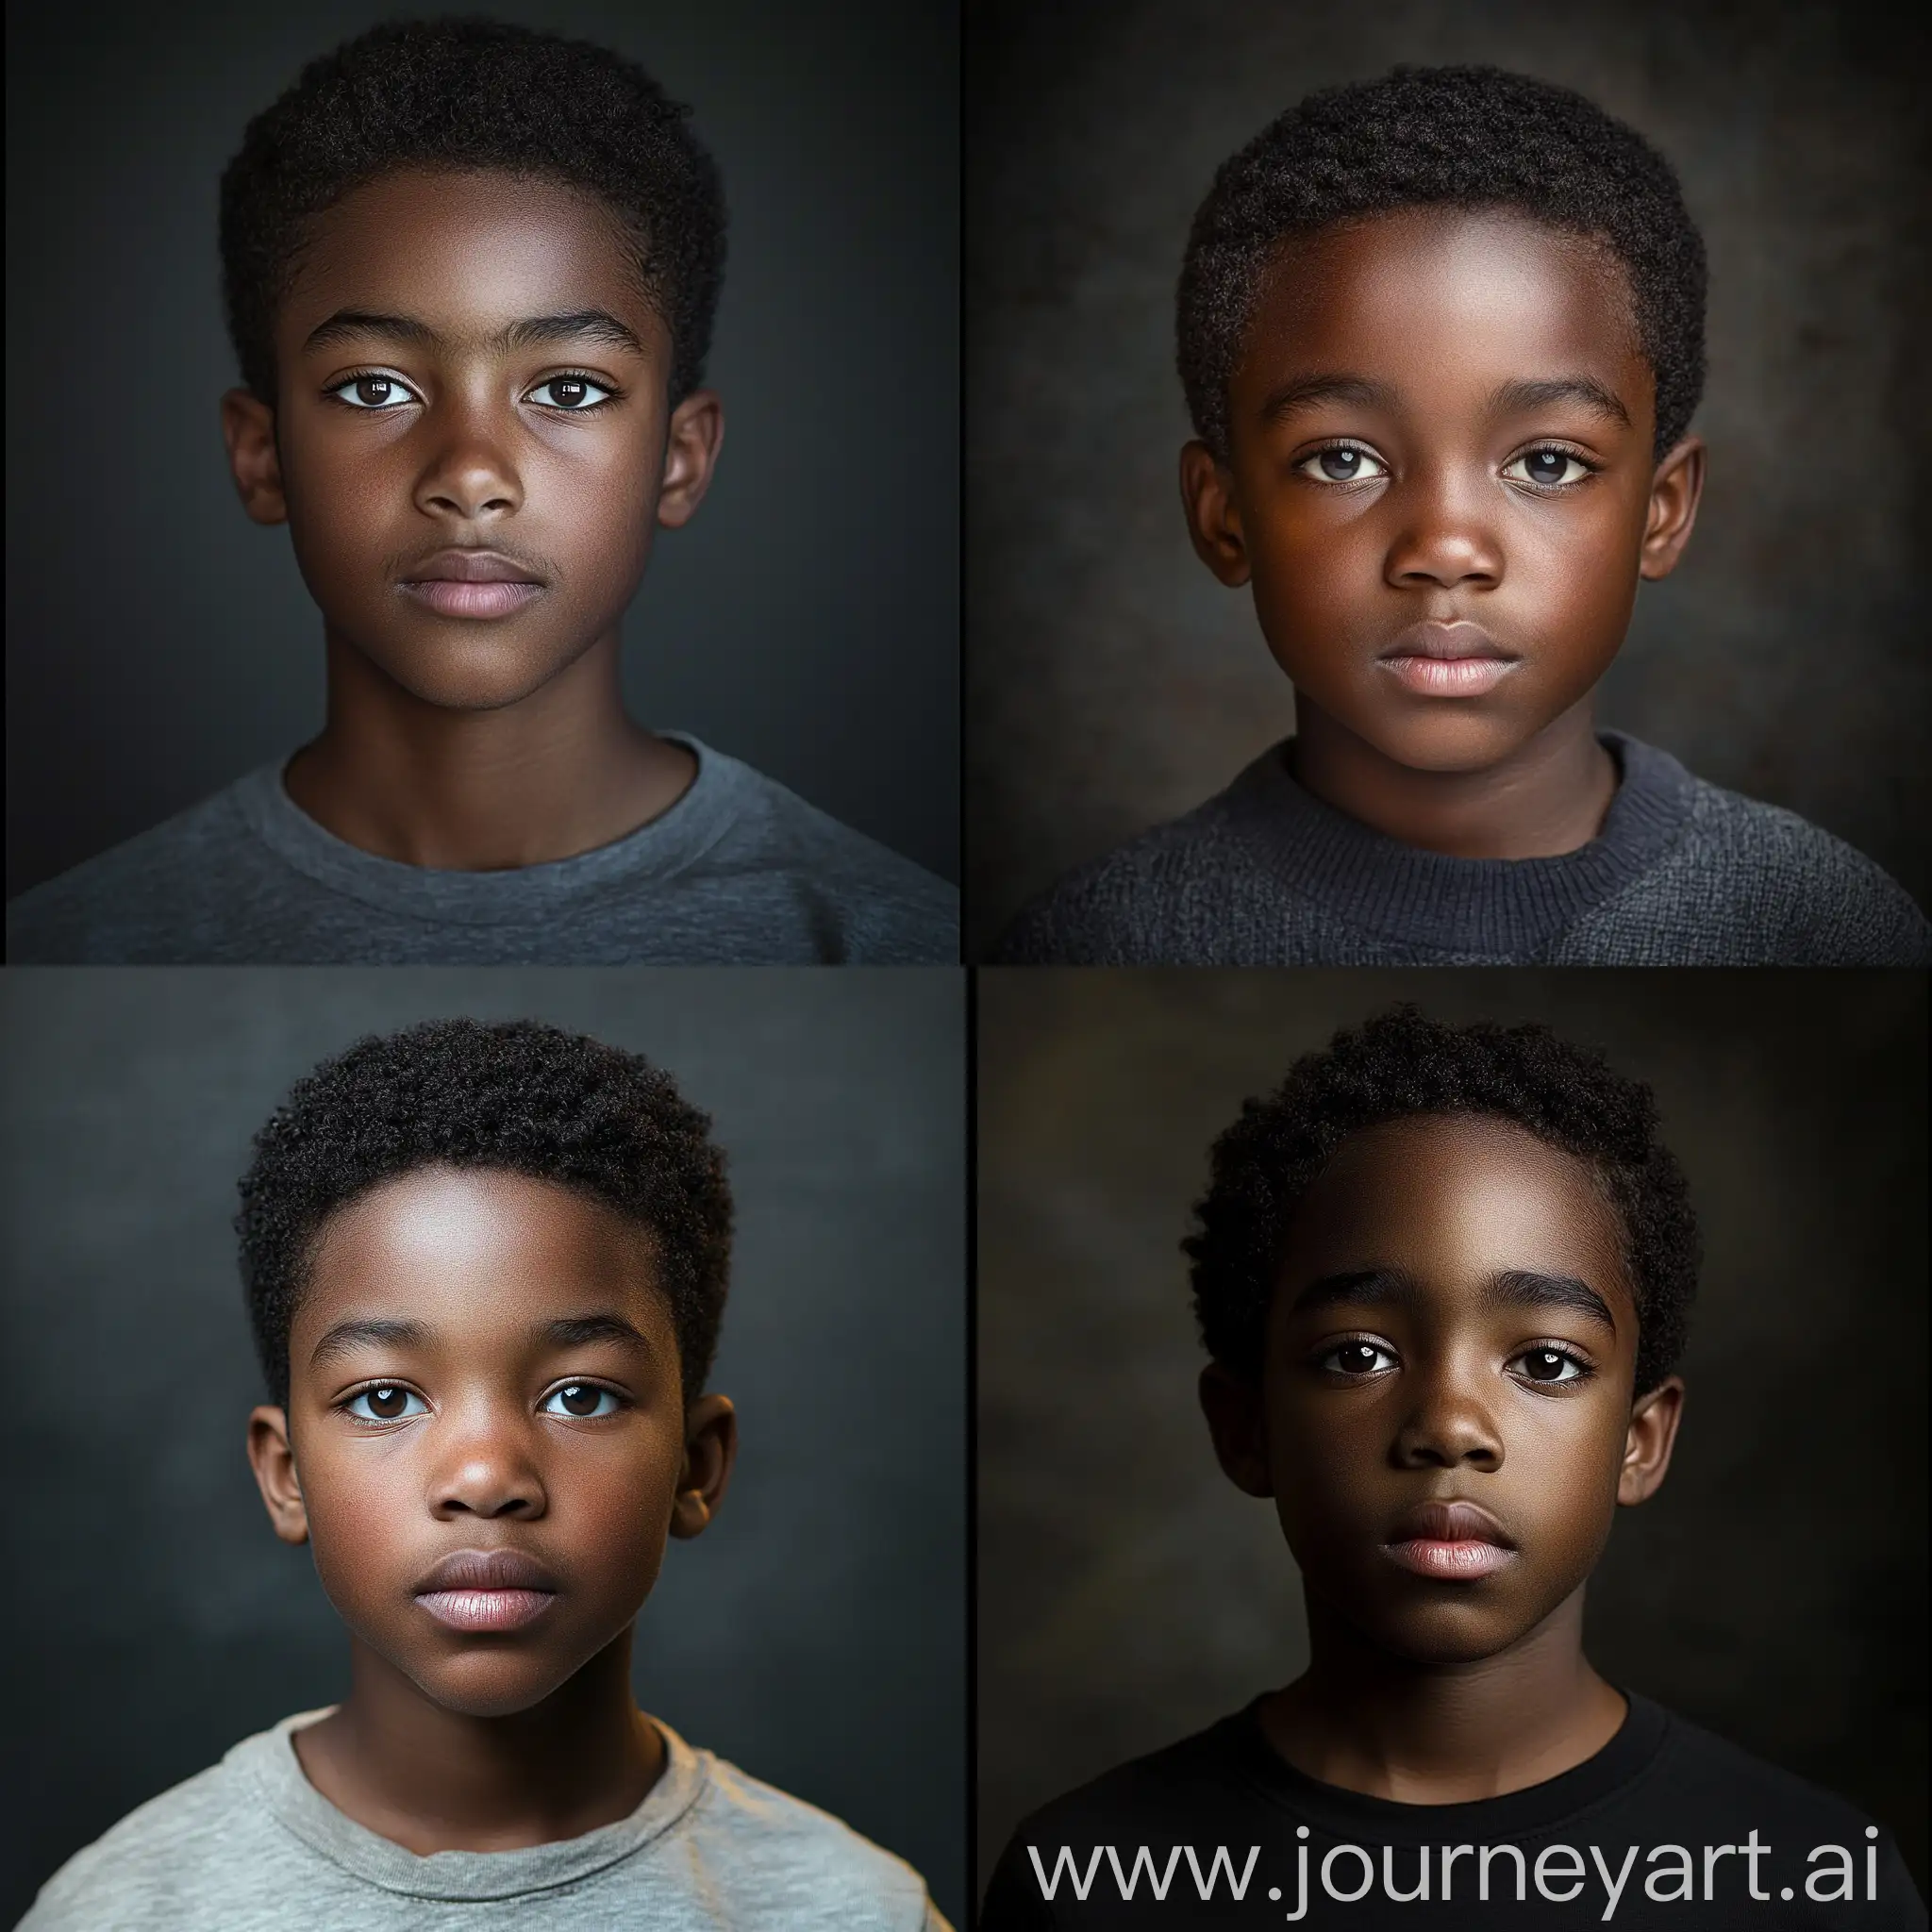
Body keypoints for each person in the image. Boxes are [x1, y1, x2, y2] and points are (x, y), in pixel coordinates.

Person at [5, 18, 955, 965]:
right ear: (262, 456)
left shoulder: (879, 937)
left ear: (680, 455)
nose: (470, 473)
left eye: (568, 389)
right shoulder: (71, 945)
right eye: (375, 387)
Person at [980, 1007, 1925, 1926]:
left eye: (1543, 1362)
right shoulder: (1088, 1878)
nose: (1447, 1426)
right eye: (1358, 1353)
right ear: (1247, 1426)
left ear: (1639, 1439)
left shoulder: (1811, 1880)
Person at [22, 1018, 949, 1929]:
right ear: (285, 1473)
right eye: (385, 1399)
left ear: (694, 1465)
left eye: (579, 1395)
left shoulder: (856, 1907)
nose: (484, 1474)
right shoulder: (121, 1908)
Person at [993, 66, 1930, 967]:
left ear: (1660, 509)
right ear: (1223, 515)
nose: (1444, 548)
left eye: (1546, 462)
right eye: (1342, 459)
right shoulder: (1098, 937)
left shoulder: (1823, 919)